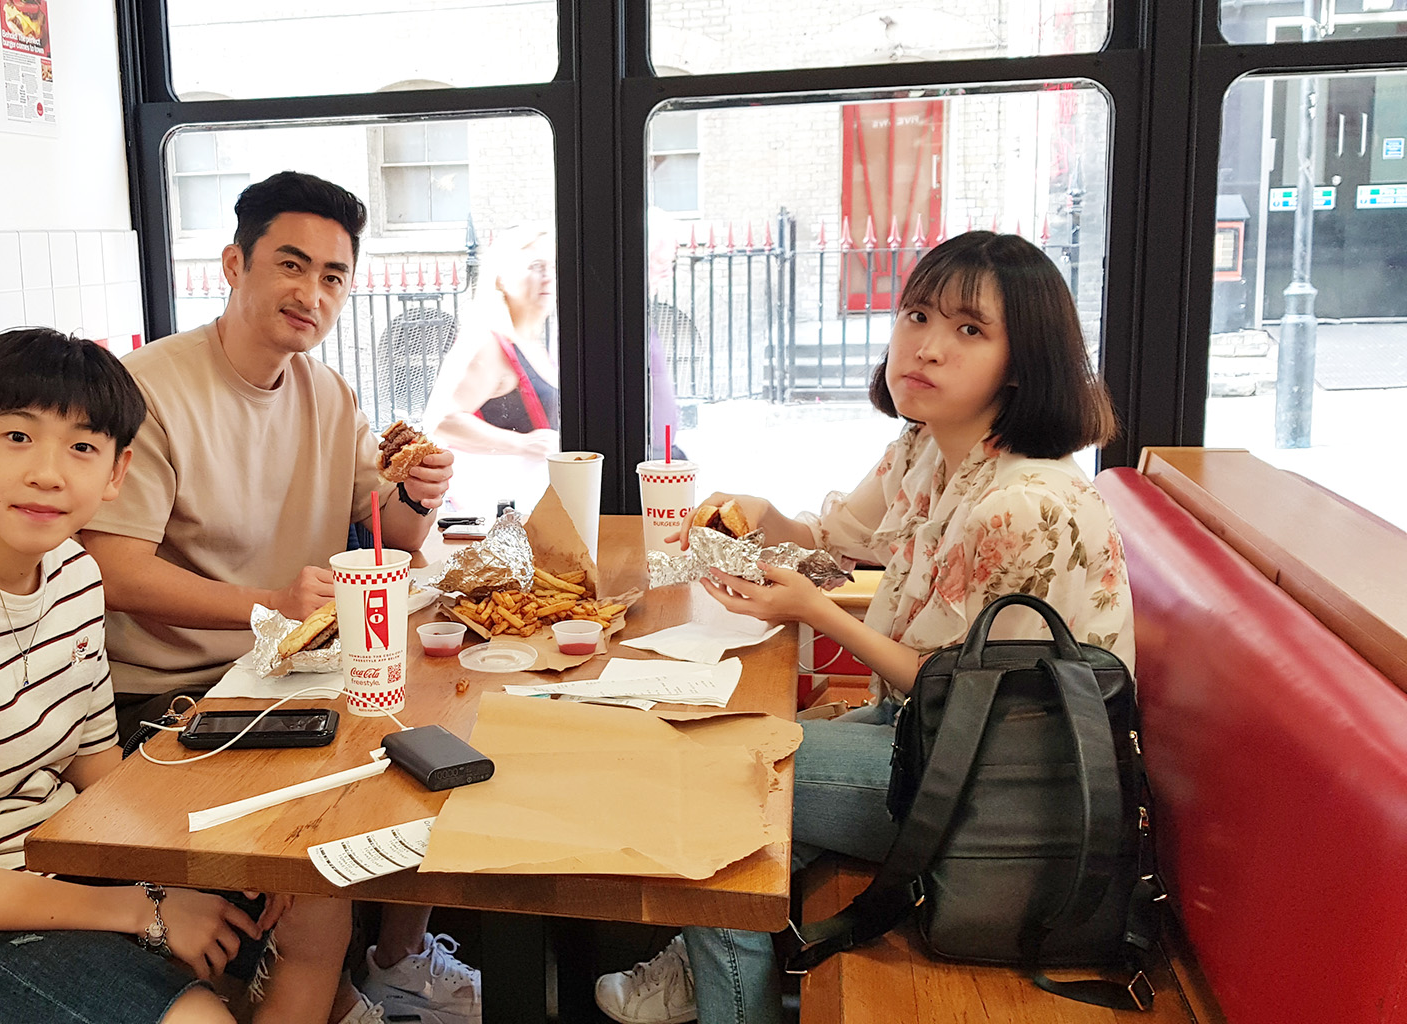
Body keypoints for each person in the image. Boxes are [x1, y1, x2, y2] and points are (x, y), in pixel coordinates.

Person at [593, 231, 1133, 1024]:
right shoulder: (925, 447)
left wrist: (813, 612)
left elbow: (971, 702)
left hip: (1005, 788)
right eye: (917, 316)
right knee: (731, 778)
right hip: (922, 734)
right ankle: (716, 969)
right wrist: (757, 513)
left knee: (714, 781)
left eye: (969, 329)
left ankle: (723, 992)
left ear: (1023, 362)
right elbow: (831, 542)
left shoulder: (1023, 505)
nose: (928, 347)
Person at [0, 328, 371, 1024]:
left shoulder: (70, 573)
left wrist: (216, 861)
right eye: (18, 438)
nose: (48, 473)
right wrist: (147, 907)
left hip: (59, 848)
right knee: (201, 1019)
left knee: (317, 897)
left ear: (117, 473)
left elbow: (95, 769)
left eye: (82, 448)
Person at [82, 171, 480, 1023]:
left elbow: (388, 533)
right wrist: (269, 604)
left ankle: (395, 962)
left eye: (334, 276)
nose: (312, 294)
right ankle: (336, 988)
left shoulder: (328, 394)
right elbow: (113, 568)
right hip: (176, 698)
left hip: (291, 682)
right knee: (324, 873)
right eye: (291, 265)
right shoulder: (147, 390)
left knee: (447, 743)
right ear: (235, 264)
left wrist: (422, 494)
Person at [420, 228, 559, 517]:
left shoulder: (531, 343)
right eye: (536, 266)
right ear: (501, 278)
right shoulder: (487, 343)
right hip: (499, 512)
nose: (548, 277)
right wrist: (523, 444)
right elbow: (440, 420)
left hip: (526, 507)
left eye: (552, 266)